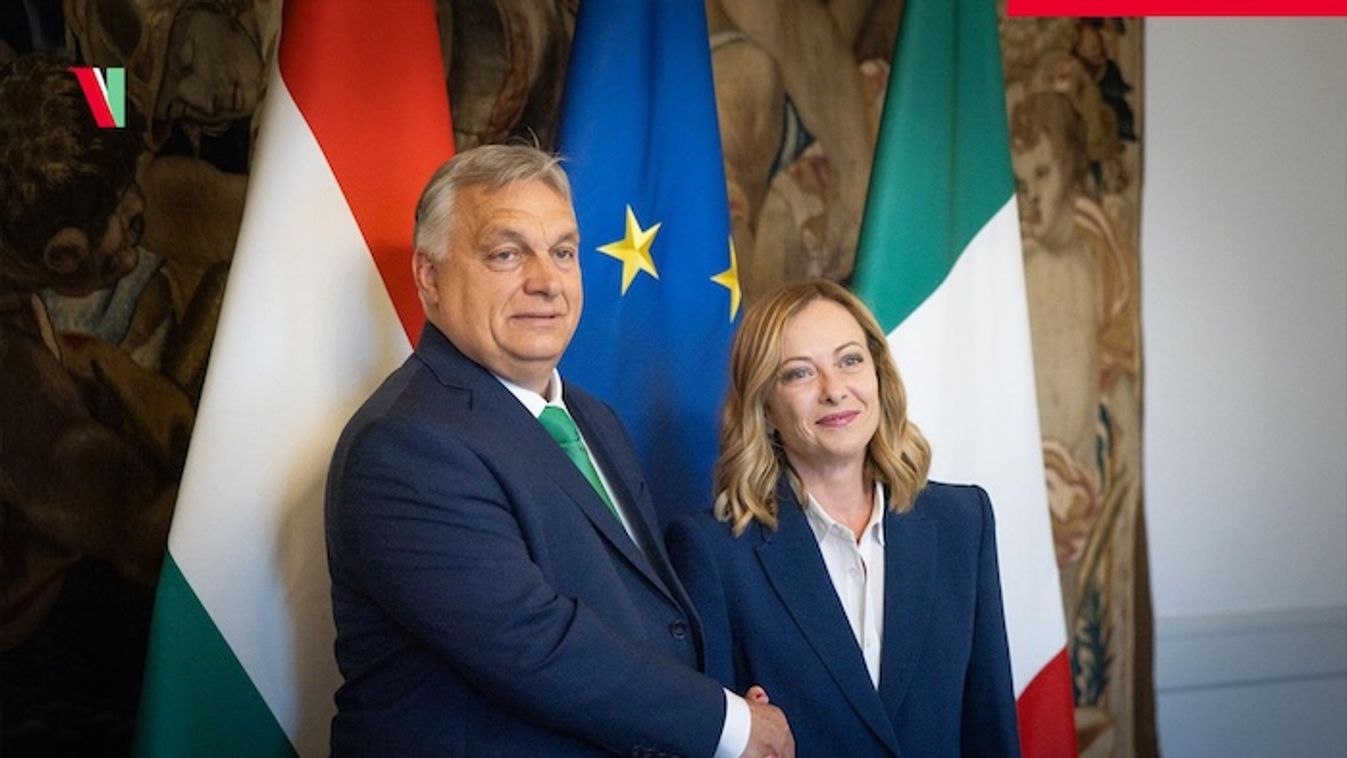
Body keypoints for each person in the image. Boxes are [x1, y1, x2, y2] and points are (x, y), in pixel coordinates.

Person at [325, 144, 794, 757]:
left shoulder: (594, 419)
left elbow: (646, 616)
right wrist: (726, 725)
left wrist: (714, 703)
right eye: (506, 254)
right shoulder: (406, 445)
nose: (546, 282)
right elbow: (535, 645)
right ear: (429, 276)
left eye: (564, 252)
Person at [666, 279, 1021, 757]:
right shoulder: (712, 550)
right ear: (765, 407)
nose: (834, 390)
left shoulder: (963, 521)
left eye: (850, 360)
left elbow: (990, 725)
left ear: (879, 375)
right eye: (799, 373)